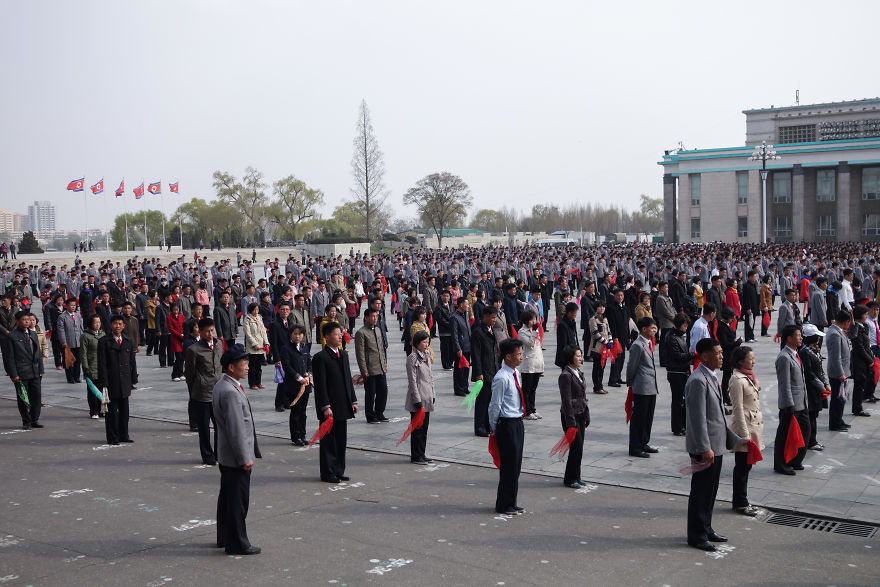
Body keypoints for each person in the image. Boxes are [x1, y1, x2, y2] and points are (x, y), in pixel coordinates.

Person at [685, 337, 748, 552]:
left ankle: (706, 527)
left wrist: (733, 440)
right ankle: (696, 535)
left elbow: (717, 416)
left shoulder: (711, 376)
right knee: (701, 491)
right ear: (704, 356)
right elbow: (697, 419)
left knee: (711, 490)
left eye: (722, 352)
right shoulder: (697, 380)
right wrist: (704, 447)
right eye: (718, 353)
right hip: (706, 448)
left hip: (716, 444)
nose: (722, 356)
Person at [213, 344, 261, 556]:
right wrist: (245, 457)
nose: (248, 367)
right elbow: (235, 428)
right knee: (237, 502)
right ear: (231, 367)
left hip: (227, 455)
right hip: (235, 457)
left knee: (227, 499)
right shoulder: (230, 392)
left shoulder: (224, 386)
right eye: (244, 363)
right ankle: (237, 543)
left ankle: (224, 537)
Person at [312, 321, 359, 483]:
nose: (340, 336)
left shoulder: (343, 354)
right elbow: (321, 385)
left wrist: (353, 400)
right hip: (330, 407)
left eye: (341, 334)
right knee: (328, 441)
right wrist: (325, 406)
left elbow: (348, 380)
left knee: (340, 440)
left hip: (343, 405)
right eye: (337, 334)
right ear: (327, 336)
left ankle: (339, 470)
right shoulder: (320, 358)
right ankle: (328, 472)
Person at [489, 338, 527, 515]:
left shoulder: (516, 373)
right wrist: (494, 426)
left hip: (517, 422)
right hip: (507, 424)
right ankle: (503, 504)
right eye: (518, 354)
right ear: (508, 356)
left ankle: (512, 501)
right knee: (508, 467)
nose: (521, 356)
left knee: (516, 465)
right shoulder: (501, 378)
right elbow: (495, 405)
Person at [728, 346, 764, 516]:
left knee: (746, 466)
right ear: (741, 361)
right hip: (745, 430)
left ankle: (742, 500)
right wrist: (744, 436)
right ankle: (740, 503)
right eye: (750, 359)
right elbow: (738, 409)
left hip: (753, 427)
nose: (753, 361)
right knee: (742, 467)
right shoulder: (737, 379)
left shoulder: (749, 377)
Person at [184, 318, 223, 465]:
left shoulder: (219, 345)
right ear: (200, 332)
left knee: (220, 426)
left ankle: (220, 453)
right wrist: (194, 391)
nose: (210, 333)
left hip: (218, 392)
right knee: (204, 429)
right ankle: (208, 455)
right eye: (206, 331)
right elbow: (189, 374)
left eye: (212, 330)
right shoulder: (193, 350)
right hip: (201, 394)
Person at [774, 324, 810, 475]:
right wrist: (788, 404)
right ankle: (781, 465)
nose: (801, 337)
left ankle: (795, 460)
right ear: (789, 338)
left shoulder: (796, 353)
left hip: (801, 403)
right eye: (798, 335)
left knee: (805, 432)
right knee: (784, 437)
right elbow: (784, 384)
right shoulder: (784, 357)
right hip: (791, 405)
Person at [97, 314, 138, 445]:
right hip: (111, 381)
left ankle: (124, 435)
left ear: (124, 326)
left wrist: (134, 376)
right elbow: (101, 364)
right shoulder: (104, 341)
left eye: (120, 324)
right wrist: (104, 382)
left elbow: (132, 360)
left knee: (125, 411)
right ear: (111, 325)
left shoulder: (127, 340)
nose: (118, 326)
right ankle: (112, 437)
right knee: (112, 412)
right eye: (115, 324)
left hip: (125, 380)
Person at [626, 316, 659, 458]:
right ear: (644, 329)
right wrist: (630, 382)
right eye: (652, 328)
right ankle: (635, 447)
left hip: (651, 386)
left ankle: (644, 442)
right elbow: (631, 366)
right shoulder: (637, 345)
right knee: (639, 418)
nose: (654, 330)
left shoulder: (649, 343)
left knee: (648, 417)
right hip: (641, 387)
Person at [558, 345, 589, 489]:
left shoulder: (578, 372)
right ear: (570, 357)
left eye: (581, 355)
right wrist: (571, 422)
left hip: (581, 414)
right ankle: (570, 478)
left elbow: (583, 396)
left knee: (580, 447)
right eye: (577, 355)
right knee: (575, 447)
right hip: (570, 416)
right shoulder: (566, 375)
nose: (580, 358)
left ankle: (577, 475)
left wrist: (586, 414)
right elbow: (566, 401)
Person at [7, 310, 44, 429]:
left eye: (28, 319)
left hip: (34, 370)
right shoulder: (12, 336)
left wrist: (41, 368)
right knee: (23, 398)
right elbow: (9, 357)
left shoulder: (33, 334)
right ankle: (26, 421)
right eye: (24, 320)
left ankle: (35, 419)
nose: (27, 322)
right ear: (17, 321)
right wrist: (13, 374)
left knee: (36, 396)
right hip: (21, 372)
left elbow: (38, 353)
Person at [279, 324, 312, 446]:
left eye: (300, 334)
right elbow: (287, 366)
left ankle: (303, 435)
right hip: (293, 385)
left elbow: (309, 362)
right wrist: (299, 378)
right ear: (291, 334)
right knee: (296, 412)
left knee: (303, 412)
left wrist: (308, 375)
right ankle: (295, 436)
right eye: (295, 334)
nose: (297, 336)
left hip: (306, 385)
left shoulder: (304, 347)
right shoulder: (286, 348)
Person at [405, 330, 435, 464]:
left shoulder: (427, 355)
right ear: (417, 343)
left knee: (425, 429)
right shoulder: (412, 358)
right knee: (417, 429)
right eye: (424, 342)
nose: (426, 344)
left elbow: (430, 377)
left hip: (427, 396)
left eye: (427, 342)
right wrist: (417, 400)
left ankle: (422, 453)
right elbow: (412, 381)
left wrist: (433, 394)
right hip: (418, 399)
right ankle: (415, 455)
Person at [355, 307, 389, 424]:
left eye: (376, 316)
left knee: (383, 390)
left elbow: (381, 349)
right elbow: (360, 354)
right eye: (373, 316)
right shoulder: (361, 333)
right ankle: (370, 416)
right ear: (366, 317)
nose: (375, 319)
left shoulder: (378, 330)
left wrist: (384, 364)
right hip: (369, 368)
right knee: (370, 393)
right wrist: (364, 370)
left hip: (380, 367)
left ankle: (379, 412)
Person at [799, 324, 830, 451]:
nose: (818, 338)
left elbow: (820, 370)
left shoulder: (814, 349)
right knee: (810, 415)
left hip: (817, 387)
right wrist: (821, 385)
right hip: (811, 389)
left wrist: (825, 382)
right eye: (816, 336)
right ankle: (811, 441)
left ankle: (812, 439)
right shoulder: (805, 352)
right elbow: (809, 373)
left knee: (814, 415)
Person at [471, 306, 500, 437]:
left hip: (492, 370)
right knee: (482, 401)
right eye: (492, 317)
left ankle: (487, 425)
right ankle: (479, 427)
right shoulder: (478, 332)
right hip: (483, 373)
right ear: (485, 317)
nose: (494, 320)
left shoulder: (491, 330)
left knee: (490, 400)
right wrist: (478, 373)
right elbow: (476, 355)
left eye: (495, 317)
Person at [666, 313, 694, 436]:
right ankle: (677, 427)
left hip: (682, 371)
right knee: (678, 401)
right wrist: (691, 355)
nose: (686, 328)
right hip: (676, 372)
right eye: (684, 325)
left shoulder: (680, 336)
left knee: (683, 400)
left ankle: (683, 424)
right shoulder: (671, 337)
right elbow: (677, 356)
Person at [825, 310, 853, 431]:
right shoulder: (835, 334)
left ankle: (839, 419)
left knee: (841, 398)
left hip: (843, 371)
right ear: (846, 322)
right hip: (838, 373)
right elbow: (836, 357)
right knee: (837, 399)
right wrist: (841, 373)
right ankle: (835, 423)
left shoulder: (838, 331)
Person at [847, 304, 874, 418]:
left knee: (862, 384)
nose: (866, 316)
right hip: (859, 361)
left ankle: (858, 407)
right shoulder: (856, 328)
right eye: (865, 314)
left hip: (865, 359)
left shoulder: (864, 326)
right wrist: (869, 360)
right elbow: (859, 347)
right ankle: (857, 408)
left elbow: (866, 346)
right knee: (859, 385)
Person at [518, 309, 544, 419]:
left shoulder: (536, 330)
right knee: (526, 389)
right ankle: (526, 411)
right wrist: (534, 331)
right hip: (528, 364)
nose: (535, 321)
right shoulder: (522, 332)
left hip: (537, 362)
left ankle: (532, 409)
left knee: (533, 388)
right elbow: (530, 344)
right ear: (527, 321)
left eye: (535, 319)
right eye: (533, 319)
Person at [80, 315, 105, 419]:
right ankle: (94, 410)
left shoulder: (103, 334)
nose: (97, 324)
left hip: (102, 366)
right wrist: (86, 368)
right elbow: (83, 354)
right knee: (92, 390)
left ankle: (101, 409)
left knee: (102, 389)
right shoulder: (85, 336)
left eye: (99, 322)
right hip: (91, 366)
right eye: (95, 322)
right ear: (91, 324)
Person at [56, 298, 84, 384]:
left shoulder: (78, 315)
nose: (73, 307)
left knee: (78, 360)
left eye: (74, 305)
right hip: (68, 342)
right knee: (69, 361)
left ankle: (77, 377)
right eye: (71, 305)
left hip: (78, 341)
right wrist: (63, 341)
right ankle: (70, 378)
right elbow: (61, 330)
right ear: (66, 306)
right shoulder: (62, 317)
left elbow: (81, 328)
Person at [587, 299, 611, 394]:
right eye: (600, 306)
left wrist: (611, 339)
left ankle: (600, 385)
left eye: (603, 307)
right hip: (597, 347)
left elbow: (608, 330)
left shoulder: (605, 319)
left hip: (605, 347)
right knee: (597, 367)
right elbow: (595, 333)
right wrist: (605, 341)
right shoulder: (593, 319)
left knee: (602, 367)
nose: (602, 308)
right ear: (596, 308)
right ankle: (597, 387)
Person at [243, 303, 269, 390]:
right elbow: (248, 334)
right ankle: (252, 383)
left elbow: (263, 332)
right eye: (254, 310)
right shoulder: (247, 319)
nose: (256, 311)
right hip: (252, 346)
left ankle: (258, 382)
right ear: (251, 310)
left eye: (257, 309)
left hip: (261, 345)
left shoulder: (259, 318)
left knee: (259, 366)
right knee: (252, 366)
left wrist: (266, 342)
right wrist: (254, 344)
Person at [450, 298, 472, 397]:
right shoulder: (454, 317)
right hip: (460, 348)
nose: (468, 306)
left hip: (468, 345)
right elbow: (454, 335)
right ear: (461, 305)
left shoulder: (466, 315)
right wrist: (458, 348)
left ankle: (465, 387)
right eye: (466, 304)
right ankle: (458, 389)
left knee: (466, 368)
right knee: (459, 369)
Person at [554, 302, 579, 370]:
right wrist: (569, 356)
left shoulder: (571, 322)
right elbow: (563, 344)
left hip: (572, 354)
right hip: (567, 357)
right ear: (569, 313)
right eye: (574, 313)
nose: (575, 315)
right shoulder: (562, 325)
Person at [168, 303, 186, 381]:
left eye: (177, 309)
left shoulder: (182, 316)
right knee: (178, 357)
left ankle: (181, 373)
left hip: (183, 338)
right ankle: (174, 374)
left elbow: (184, 326)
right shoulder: (169, 317)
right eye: (174, 310)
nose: (176, 311)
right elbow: (171, 329)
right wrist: (180, 335)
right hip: (175, 339)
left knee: (182, 357)